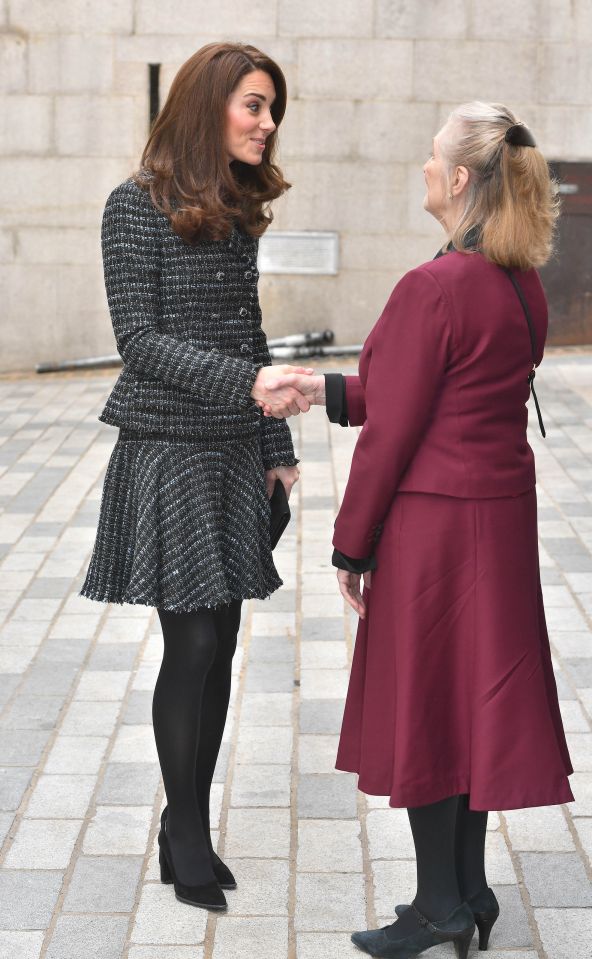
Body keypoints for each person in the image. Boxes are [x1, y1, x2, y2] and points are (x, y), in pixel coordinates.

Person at [262, 102, 574, 958]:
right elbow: (422, 388)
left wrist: (350, 544)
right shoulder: (517, 281)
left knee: (431, 711)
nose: (424, 167)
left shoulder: (431, 286)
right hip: (499, 526)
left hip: (436, 533)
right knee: (469, 705)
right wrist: (318, 389)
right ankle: (468, 893)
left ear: (463, 179)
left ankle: (436, 906)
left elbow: (396, 428)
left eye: (434, 156)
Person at [80, 42, 312, 912]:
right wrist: (245, 386)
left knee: (224, 649)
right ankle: (185, 831)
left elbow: (246, 331)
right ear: (210, 105)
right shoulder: (132, 207)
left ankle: (190, 823)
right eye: (254, 105)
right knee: (196, 644)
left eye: (272, 108)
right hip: (169, 450)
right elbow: (138, 339)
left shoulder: (238, 207)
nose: (267, 122)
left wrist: (275, 449)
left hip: (231, 448)